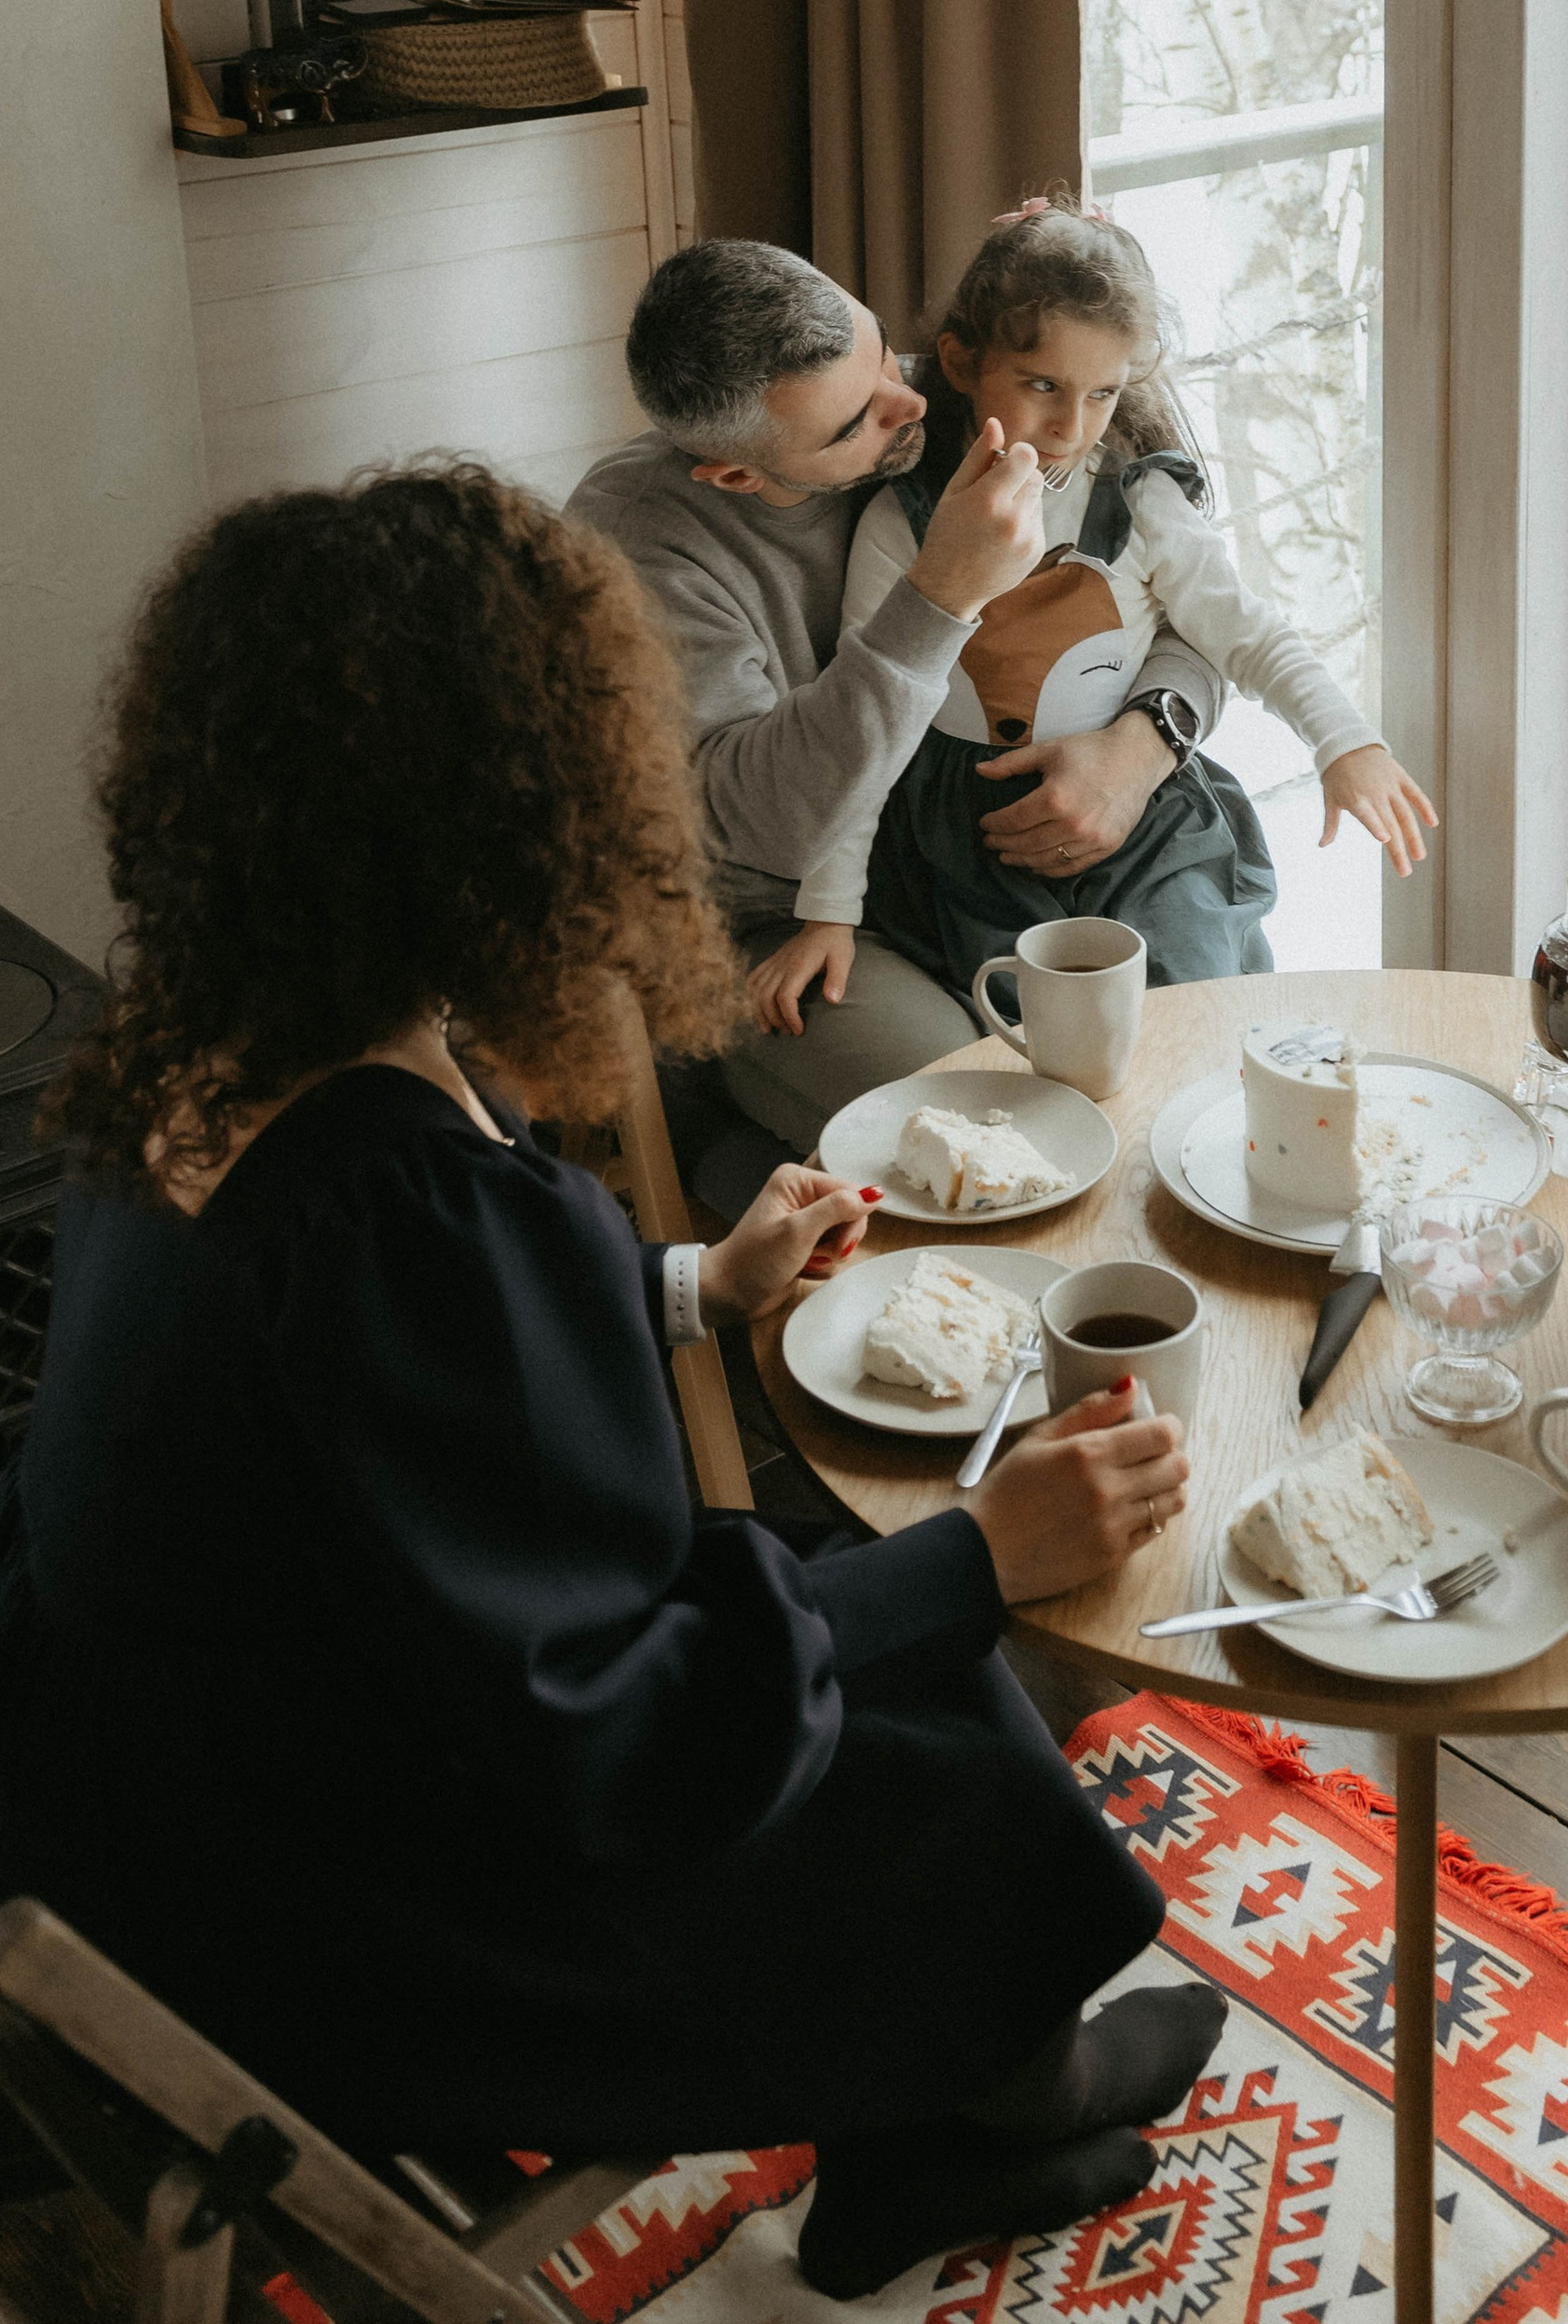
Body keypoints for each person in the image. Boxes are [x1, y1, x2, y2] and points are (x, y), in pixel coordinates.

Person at [0, 467, 1220, 2298]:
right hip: (332, 1930)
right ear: (522, 813)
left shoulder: (183, 1060)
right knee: (939, 1696)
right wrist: (985, 1544)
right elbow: (633, 1733)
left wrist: (676, 1285)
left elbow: (377, 1425)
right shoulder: (424, 1212)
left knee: (878, 1637)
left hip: (149, 1812)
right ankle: (989, 2095)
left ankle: (953, 2120)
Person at [569, 241, 1231, 1178]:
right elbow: (767, 827)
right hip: (763, 918)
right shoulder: (638, 550)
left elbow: (1199, 601)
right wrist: (939, 596)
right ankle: (722, 1148)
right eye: (855, 421)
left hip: (952, 846)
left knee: (1179, 1055)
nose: (912, 402)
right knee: (995, 1123)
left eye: (882, 352)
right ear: (737, 475)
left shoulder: (958, 395)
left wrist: (1143, 739)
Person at [789, 199, 1438, 1000]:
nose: (1072, 424)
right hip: (970, 838)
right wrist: (827, 914)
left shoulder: (1140, 499)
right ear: (961, 364)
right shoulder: (899, 525)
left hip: (1149, 827)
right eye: (1041, 385)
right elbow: (866, 725)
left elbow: (1247, 634)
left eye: (1103, 394)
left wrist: (1345, 743)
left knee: (1195, 989)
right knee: (1035, 1021)